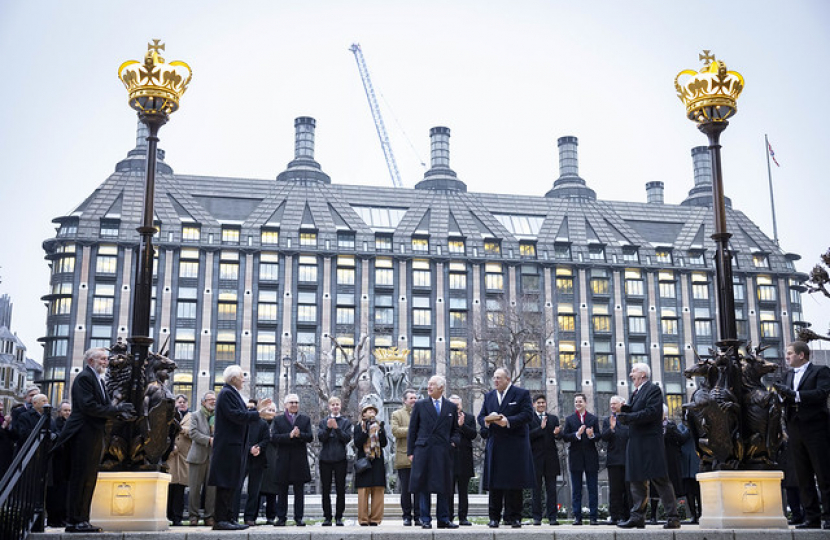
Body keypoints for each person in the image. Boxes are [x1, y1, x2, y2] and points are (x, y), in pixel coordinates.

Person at [52, 348, 136, 534]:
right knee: (81, 477)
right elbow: (88, 406)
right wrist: (117, 409)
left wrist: (120, 412)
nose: (106, 362)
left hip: (94, 433)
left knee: (89, 478)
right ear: (91, 361)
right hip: (83, 433)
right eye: (102, 359)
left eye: (106, 359)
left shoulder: (98, 379)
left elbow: (104, 407)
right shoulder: (84, 378)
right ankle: (75, 520)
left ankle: (83, 519)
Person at [207, 365, 275, 531]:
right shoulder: (226, 393)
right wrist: (258, 413)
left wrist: (257, 410)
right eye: (241, 376)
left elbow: (241, 413)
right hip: (228, 447)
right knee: (225, 483)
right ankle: (221, 519)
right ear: (233, 378)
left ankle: (229, 517)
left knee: (232, 483)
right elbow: (236, 416)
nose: (244, 379)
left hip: (235, 447)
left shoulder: (232, 393)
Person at [773, 341, 830, 530]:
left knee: (823, 474)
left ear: (801, 355)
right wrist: (781, 396)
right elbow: (786, 398)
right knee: (803, 476)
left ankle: (828, 517)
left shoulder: (820, 371)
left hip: (816, 428)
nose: (787, 357)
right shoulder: (788, 375)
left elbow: (822, 393)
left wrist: (796, 395)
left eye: (789, 353)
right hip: (795, 429)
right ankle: (811, 518)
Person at [616, 362, 680, 530]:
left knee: (660, 479)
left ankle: (673, 517)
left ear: (643, 374)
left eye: (633, 371)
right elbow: (639, 410)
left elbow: (652, 412)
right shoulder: (636, 393)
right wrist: (626, 409)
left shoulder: (653, 389)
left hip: (650, 442)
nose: (630, 375)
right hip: (636, 442)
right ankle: (638, 517)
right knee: (636, 479)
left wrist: (629, 417)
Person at [477, 367, 535, 528]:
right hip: (496, 444)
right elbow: (481, 416)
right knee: (495, 483)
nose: (495, 381)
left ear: (507, 379)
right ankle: (494, 517)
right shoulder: (489, 396)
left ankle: (514, 517)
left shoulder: (521, 394)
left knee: (514, 483)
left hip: (515, 445)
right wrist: (486, 421)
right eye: (494, 378)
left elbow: (527, 415)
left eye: (499, 378)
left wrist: (507, 421)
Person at [408, 375, 460, 529]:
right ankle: (425, 519)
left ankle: (444, 519)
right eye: (428, 384)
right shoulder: (420, 405)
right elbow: (413, 430)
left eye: (432, 385)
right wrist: (411, 452)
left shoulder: (451, 407)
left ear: (441, 388)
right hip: (424, 450)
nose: (429, 387)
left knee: (443, 485)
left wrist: (453, 442)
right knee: (424, 485)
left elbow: (455, 430)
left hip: (443, 451)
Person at [270, 393, 313, 526]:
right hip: (283, 460)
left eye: (296, 402)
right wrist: (289, 436)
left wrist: (299, 435)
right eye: (291, 402)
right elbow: (274, 438)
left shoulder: (305, 419)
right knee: (281, 491)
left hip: (299, 461)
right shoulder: (278, 420)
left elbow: (310, 437)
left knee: (299, 491)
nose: (294, 405)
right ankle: (281, 517)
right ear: (285, 405)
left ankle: (298, 517)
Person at [562, 393, 600, 525]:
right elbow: (565, 436)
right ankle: (577, 517)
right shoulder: (570, 419)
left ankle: (593, 517)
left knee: (592, 488)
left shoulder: (593, 418)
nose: (577, 404)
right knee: (576, 489)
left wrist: (591, 435)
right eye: (576, 402)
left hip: (590, 457)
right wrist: (576, 434)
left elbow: (599, 436)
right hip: (575, 457)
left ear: (585, 403)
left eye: (580, 401)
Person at [317, 396, 352, 526]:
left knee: (340, 489)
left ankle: (338, 516)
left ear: (340, 406)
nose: (335, 407)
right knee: (325, 489)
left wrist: (337, 428)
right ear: (329, 407)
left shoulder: (346, 422)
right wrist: (328, 428)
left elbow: (347, 438)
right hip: (325, 459)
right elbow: (321, 438)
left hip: (340, 459)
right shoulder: (323, 421)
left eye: (337, 404)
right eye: (333, 405)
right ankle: (327, 517)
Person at [529, 394, 561, 526]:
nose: (541, 405)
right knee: (536, 490)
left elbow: (558, 437)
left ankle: (552, 517)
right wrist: (540, 428)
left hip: (551, 459)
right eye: (538, 403)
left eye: (543, 402)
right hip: (535, 459)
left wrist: (558, 434)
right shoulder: (529, 419)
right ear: (533, 404)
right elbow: (528, 436)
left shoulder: (553, 418)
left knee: (551, 490)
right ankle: (537, 517)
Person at [354, 402, 388, 526]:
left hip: (377, 461)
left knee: (378, 490)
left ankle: (375, 519)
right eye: (369, 410)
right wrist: (366, 430)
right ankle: (363, 519)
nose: (371, 412)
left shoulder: (379, 426)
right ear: (363, 414)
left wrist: (381, 432)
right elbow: (357, 443)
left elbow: (384, 443)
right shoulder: (359, 427)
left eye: (373, 411)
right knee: (363, 491)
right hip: (364, 462)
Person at [186, 391, 216, 527]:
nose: (213, 402)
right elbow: (192, 433)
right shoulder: (195, 415)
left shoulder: (218, 416)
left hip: (213, 458)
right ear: (203, 402)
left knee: (211, 490)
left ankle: (209, 516)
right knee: (195, 489)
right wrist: (208, 440)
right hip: (197, 457)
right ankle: (193, 516)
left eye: (214, 399)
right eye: (210, 399)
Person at [391, 389, 420, 525]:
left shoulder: (422, 413)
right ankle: (407, 516)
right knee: (406, 489)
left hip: (420, 456)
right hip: (404, 457)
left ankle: (419, 516)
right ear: (404, 400)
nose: (414, 400)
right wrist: (413, 429)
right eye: (411, 398)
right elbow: (396, 431)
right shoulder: (397, 414)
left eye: (415, 398)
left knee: (419, 490)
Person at [448, 394, 476, 526]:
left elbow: (473, 434)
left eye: (457, 405)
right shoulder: (445, 417)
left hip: (465, 459)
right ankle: (448, 517)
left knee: (463, 491)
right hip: (449, 459)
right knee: (448, 491)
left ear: (461, 405)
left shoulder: (469, 417)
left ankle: (463, 517)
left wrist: (462, 425)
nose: (455, 407)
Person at [601, 395, 630, 525]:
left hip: (628, 460)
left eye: (615, 403)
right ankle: (614, 516)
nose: (612, 406)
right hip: (614, 460)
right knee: (615, 490)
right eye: (611, 404)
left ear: (622, 404)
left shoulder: (629, 418)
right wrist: (611, 428)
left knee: (628, 489)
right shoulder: (608, 420)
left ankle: (627, 516)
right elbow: (604, 437)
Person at [242, 399, 270, 526]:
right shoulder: (243, 423)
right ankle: (232, 515)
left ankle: (250, 517)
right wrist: (249, 449)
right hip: (243, 459)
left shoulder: (263, 424)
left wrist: (258, 447)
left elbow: (266, 439)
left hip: (258, 460)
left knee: (254, 490)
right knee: (237, 488)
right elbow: (240, 439)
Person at [166, 395, 190, 526]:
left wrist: (182, 429)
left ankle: (177, 517)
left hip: (184, 457)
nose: (181, 404)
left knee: (180, 488)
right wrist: (169, 447)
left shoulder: (191, 417)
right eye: (179, 402)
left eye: (184, 402)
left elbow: (194, 432)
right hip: (170, 456)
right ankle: (168, 515)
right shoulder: (169, 415)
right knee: (169, 486)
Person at [47, 401, 71, 527]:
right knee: (57, 490)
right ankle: (55, 518)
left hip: (68, 461)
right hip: (58, 461)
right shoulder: (56, 423)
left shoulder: (71, 423)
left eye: (69, 410)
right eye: (65, 410)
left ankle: (63, 516)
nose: (67, 413)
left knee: (65, 490)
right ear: (59, 412)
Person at [678, 411, 701, 524]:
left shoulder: (699, 425)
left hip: (696, 462)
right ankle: (693, 514)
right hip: (685, 463)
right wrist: (689, 428)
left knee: (698, 491)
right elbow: (681, 439)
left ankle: (701, 513)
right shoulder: (680, 427)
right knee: (689, 492)